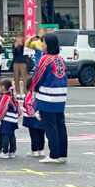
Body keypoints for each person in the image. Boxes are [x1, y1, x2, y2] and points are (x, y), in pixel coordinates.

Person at [31, 32, 68, 164]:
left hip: (48, 97)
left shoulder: (45, 59)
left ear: (49, 45)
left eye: (44, 42)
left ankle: (54, 155)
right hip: (61, 97)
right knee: (60, 125)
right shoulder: (60, 59)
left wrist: (33, 88)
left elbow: (38, 77)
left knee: (50, 126)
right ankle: (62, 154)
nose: (42, 44)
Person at [0, 77, 20, 159]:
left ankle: (5, 151)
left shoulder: (4, 97)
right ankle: (12, 151)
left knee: (5, 135)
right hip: (13, 119)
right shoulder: (12, 96)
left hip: (6, 119)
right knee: (12, 135)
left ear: (3, 87)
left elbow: (1, 109)